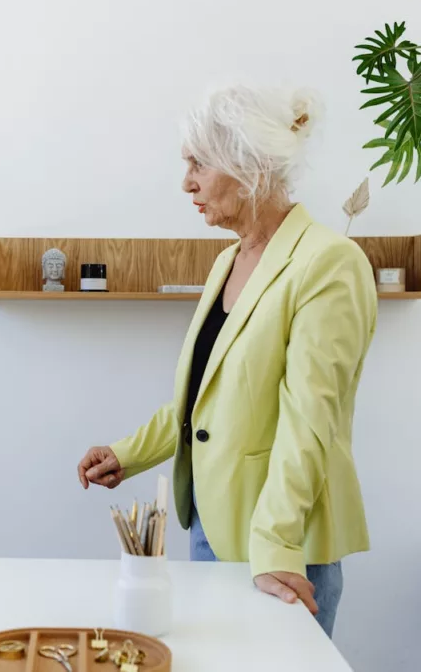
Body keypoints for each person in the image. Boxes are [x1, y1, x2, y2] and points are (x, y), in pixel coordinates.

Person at [76, 85, 377, 637]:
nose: (186, 182)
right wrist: (127, 454)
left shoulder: (329, 262)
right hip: (213, 524)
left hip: (280, 545)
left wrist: (278, 545)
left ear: (250, 166)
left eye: (199, 164)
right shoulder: (229, 261)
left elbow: (311, 421)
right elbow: (205, 398)